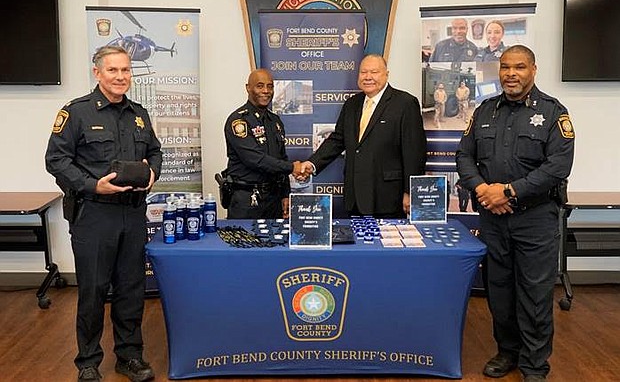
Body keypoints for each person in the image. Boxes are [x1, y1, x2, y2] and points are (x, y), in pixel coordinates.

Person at [456, 45, 575, 382]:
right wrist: (482, 190)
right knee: (499, 290)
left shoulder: (554, 112)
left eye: (519, 67)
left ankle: (535, 364)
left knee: (535, 294)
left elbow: (557, 167)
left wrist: (508, 191)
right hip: (493, 218)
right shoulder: (485, 111)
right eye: (506, 67)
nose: (511, 74)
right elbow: (464, 156)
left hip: (535, 218)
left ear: (533, 70)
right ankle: (507, 351)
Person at [45, 46, 162, 382]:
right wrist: (93, 185)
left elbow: (155, 151)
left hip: (132, 213)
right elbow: (56, 160)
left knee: (131, 289)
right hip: (94, 215)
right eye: (113, 70)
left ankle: (130, 357)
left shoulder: (139, 113)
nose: (121, 76)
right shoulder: (77, 113)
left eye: (126, 70)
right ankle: (88, 360)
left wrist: (152, 172)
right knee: (94, 290)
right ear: (97, 73)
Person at [300, 54, 427, 218]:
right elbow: (338, 140)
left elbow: (414, 153)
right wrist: (312, 164)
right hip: (355, 197)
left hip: (388, 198)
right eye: (363, 72)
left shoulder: (405, 103)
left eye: (374, 72)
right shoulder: (352, 104)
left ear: (386, 74)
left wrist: (410, 191)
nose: (368, 77)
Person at [224, 68, 301, 219]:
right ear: (248, 88)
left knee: (275, 241)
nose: (266, 91)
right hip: (247, 199)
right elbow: (255, 159)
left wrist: (286, 194)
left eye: (270, 86)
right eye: (260, 86)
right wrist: (293, 168)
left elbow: (281, 159)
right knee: (245, 242)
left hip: (274, 199)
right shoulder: (239, 121)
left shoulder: (275, 121)